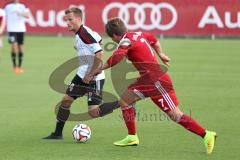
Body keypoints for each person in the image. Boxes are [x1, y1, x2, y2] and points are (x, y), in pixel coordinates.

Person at [89, 17, 217, 154]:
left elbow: (117, 58)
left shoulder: (125, 41)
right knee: (125, 100)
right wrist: (161, 54)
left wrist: (99, 68)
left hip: (157, 82)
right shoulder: (138, 34)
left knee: (176, 115)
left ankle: (206, 134)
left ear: (114, 36)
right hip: (147, 80)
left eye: (112, 38)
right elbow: (153, 39)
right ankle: (132, 136)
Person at [43, 7, 106, 140]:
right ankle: (57, 134)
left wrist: (91, 73)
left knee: (93, 112)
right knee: (65, 101)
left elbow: (100, 52)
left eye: (70, 20)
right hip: (81, 75)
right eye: (66, 20)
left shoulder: (84, 34)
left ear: (79, 19)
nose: (68, 23)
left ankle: (120, 103)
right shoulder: (80, 34)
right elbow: (99, 40)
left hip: (94, 77)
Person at [4, 0, 30, 73]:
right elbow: (3, 15)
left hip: (21, 29)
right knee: (14, 46)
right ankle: (14, 66)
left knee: (20, 47)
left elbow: (28, 15)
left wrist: (20, 13)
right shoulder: (7, 6)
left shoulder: (23, 6)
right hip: (11, 29)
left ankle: (20, 66)